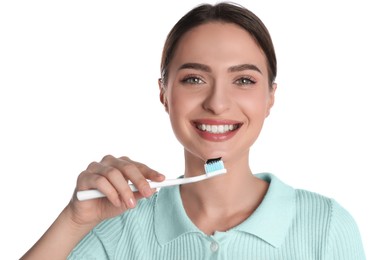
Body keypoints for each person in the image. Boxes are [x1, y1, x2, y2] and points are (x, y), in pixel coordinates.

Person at [21, 2, 365, 259]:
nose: (217, 103)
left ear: (270, 97)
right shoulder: (117, 225)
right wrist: (74, 220)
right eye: (194, 79)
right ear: (164, 93)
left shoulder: (327, 226)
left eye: (243, 80)